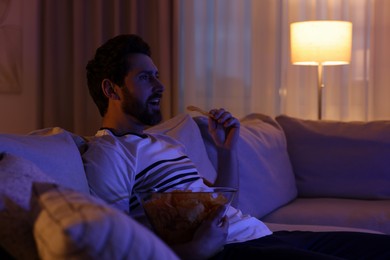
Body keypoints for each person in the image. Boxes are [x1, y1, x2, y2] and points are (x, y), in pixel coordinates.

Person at [83, 34, 390, 259]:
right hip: (233, 250)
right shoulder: (109, 152)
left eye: (158, 76)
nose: (160, 86)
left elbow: (220, 203)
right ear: (111, 89)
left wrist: (226, 150)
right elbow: (117, 245)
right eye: (146, 78)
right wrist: (194, 250)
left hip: (265, 235)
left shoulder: (164, 143)